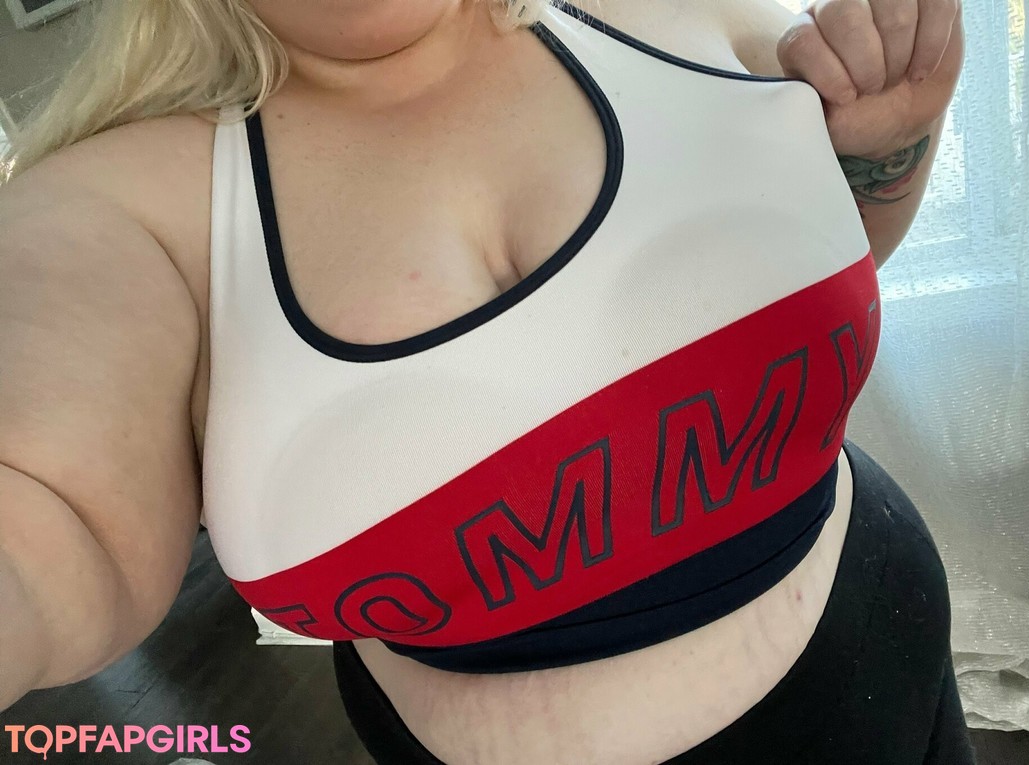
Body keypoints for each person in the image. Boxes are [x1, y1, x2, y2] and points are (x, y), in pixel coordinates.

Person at [0, 0, 973, 763]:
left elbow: (835, 254)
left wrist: (895, 136)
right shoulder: (118, 205)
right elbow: (47, 523)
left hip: (893, 645)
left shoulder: (679, 12)